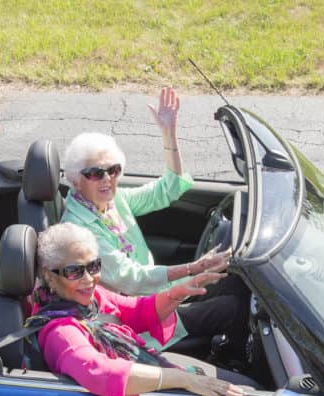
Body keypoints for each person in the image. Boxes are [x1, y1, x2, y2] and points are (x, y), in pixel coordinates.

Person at [60, 87, 251, 363]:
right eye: (95, 173)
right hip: (138, 316)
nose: (106, 179)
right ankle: (237, 365)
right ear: (77, 180)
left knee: (235, 281)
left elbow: (168, 189)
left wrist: (168, 132)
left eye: (113, 170)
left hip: (158, 294)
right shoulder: (80, 232)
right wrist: (195, 269)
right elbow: (132, 279)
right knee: (232, 308)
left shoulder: (115, 201)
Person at [31, 223, 255, 396]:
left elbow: (136, 311)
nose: (89, 279)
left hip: (149, 369)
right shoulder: (61, 331)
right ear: (50, 275)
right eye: (74, 271)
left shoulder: (88, 298)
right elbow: (100, 372)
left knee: (249, 388)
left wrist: (181, 291)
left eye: (93, 266)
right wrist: (183, 379)